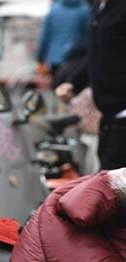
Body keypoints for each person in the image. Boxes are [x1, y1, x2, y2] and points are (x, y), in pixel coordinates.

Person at [56, 0, 126, 169]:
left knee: (109, 186)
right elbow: (95, 54)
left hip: (122, 114)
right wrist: (72, 83)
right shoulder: (99, 8)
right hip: (109, 115)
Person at [36, 0, 90, 78]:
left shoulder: (54, 10)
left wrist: (40, 57)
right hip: (77, 58)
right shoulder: (85, 10)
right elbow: (89, 36)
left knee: (58, 87)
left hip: (55, 58)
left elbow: (45, 36)